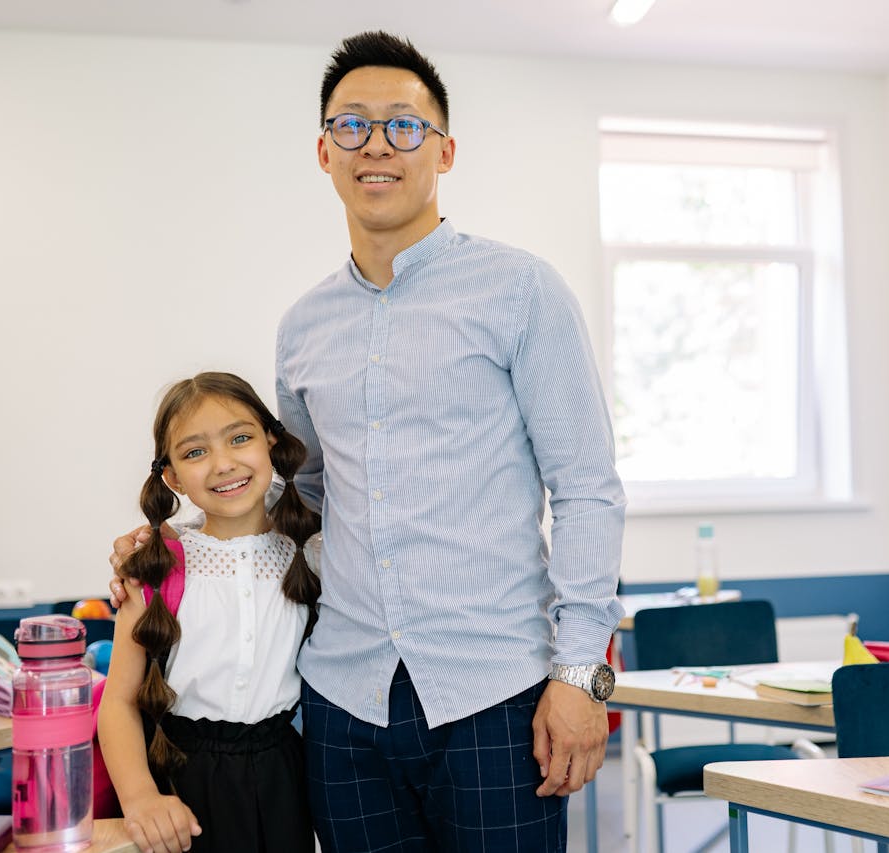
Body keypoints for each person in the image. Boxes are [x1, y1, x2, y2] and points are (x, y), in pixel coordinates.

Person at [114, 30, 624, 852]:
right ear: (324, 151)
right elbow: (303, 497)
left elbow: (589, 490)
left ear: (444, 150)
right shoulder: (302, 327)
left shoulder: (521, 291)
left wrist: (580, 677)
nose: (376, 144)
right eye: (352, 125)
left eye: (403, 125)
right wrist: (171, 539)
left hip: (497, 692)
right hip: (345, 704)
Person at [101, 372, 321, 853]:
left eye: (239, 438)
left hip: (284, 776)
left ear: (271, 442)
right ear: (173, 477)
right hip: (178, 777)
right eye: (195, 451)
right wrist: (140, 799)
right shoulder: (158, 565)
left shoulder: (311, 551)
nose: (223, 464)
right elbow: (117, 700)